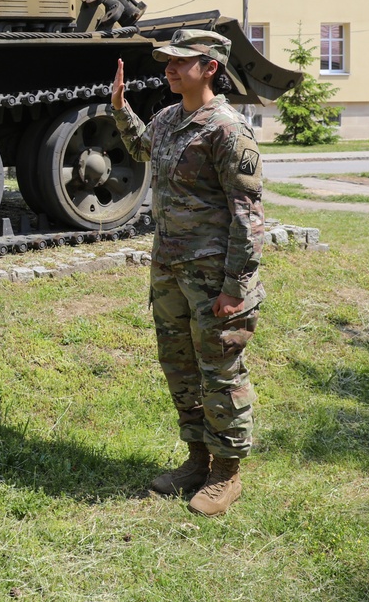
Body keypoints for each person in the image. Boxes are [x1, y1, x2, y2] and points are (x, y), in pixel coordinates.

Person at [111, 29, 264, 517]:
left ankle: (227, 473)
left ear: (211, 66)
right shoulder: (170, 118)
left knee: (220, 372)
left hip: (214, 280)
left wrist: (234, 288)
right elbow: (141, 148)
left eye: (181, 61)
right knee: (179, 368)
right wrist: (120, 107)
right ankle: (197, 460)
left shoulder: (227, 129)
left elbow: (248, 215)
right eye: (167, 61)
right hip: (171, 272)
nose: (170, 68)